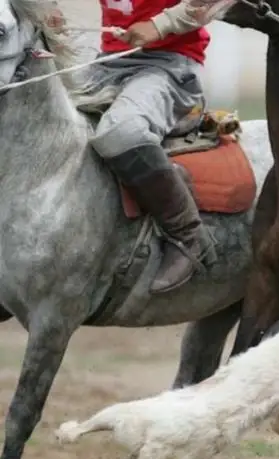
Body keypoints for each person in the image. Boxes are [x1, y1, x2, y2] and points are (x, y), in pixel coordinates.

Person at [50, 0, 227, 294]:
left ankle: (188, 235)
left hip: (171, 66)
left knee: (121, 134)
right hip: (105, 64)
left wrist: (159, 25)